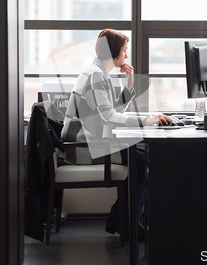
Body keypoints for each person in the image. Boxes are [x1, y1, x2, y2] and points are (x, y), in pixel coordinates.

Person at [60, 28, 171, 235]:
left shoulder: (98, 73)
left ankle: (121, 219)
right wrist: (146, 120)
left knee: (147, 159)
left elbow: (111, 112)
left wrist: (129, 84)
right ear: (114, 52)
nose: (126, 56)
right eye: (124, 50)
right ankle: (124, 221)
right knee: (145, 162)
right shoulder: (95, 76)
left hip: (93, 142)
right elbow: (109, 118)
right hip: (85, 147)